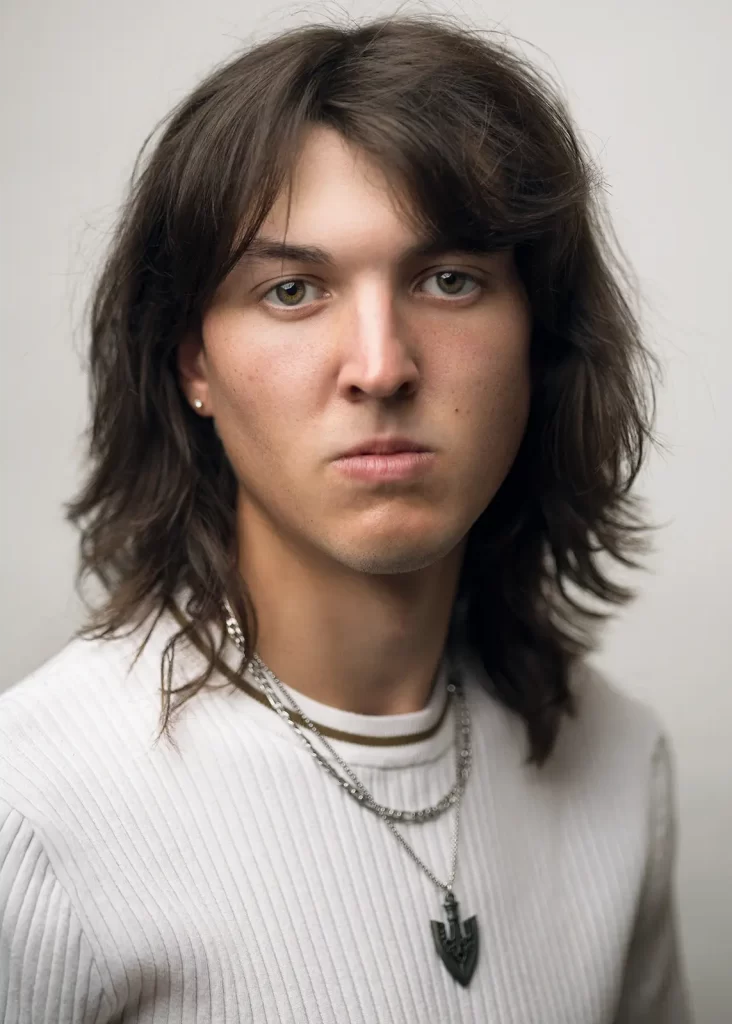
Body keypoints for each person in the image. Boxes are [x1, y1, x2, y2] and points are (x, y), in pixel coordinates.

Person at [0, 13, 692, 1023]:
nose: (380, 365)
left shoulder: (621, 768)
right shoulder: (35, 809)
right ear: (194, 363)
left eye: (449, 280)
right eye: (292, 290)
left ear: (538, 335)